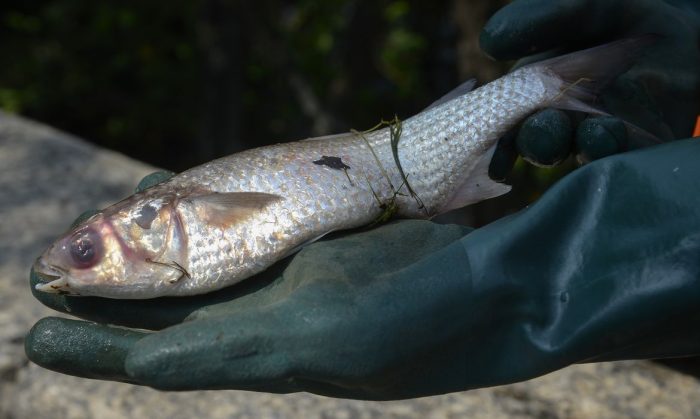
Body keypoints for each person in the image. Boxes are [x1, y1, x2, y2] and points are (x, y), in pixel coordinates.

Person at [25, 0, 700, 400]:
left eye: (86, 250)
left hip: (405, 167)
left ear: (158, 216)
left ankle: (554, 84)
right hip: (402, 169)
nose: (80, 259)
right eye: (83, 252)